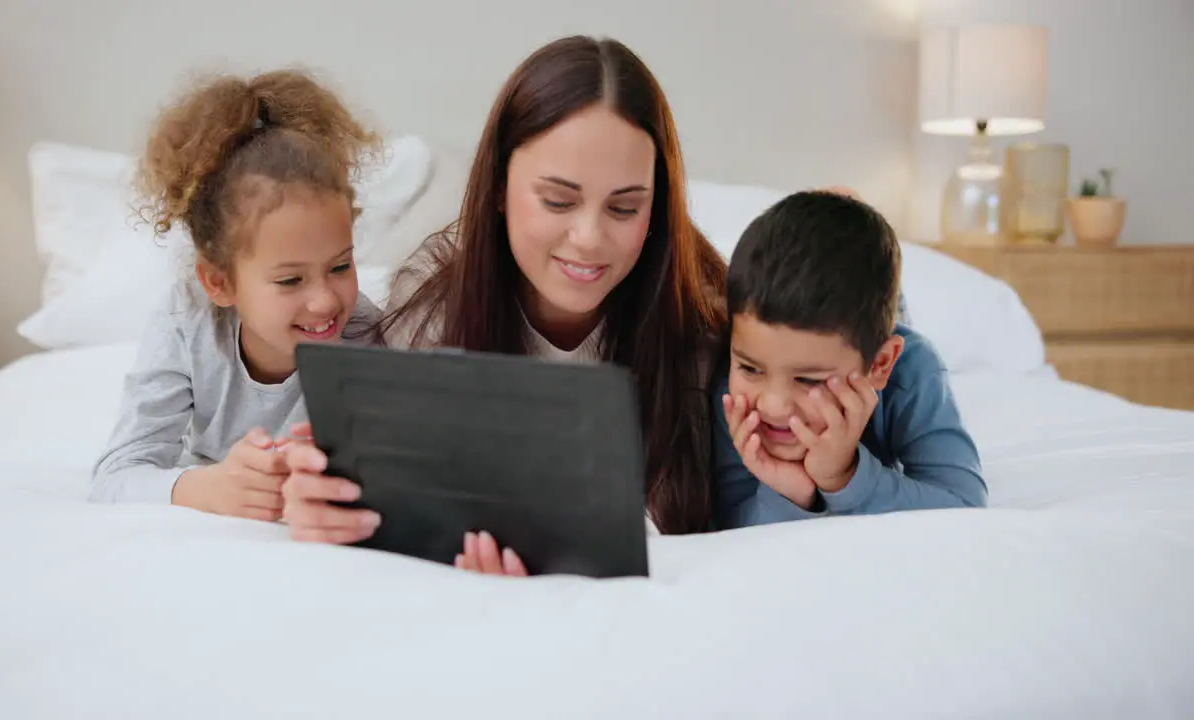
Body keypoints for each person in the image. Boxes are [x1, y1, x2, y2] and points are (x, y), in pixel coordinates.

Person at [279, 35, 729, 574]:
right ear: (498, 187)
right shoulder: (432, 304)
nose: (588, 237)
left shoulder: (705, 322)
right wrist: (325, 506)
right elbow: (393, 505)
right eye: (558, 200)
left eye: (625, 207)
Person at [88, 69, 384, 524]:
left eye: (341, 266)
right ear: (219, 283)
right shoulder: (186, 323)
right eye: (290, 281)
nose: (326, 301)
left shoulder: (365, 334)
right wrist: (212, 488)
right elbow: (116, 476)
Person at [712, 190, 988, 529]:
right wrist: (787, 493)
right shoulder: (732, 392)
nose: (773, 406)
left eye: (809, 379)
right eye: (751, 368)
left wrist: (846, 477)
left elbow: (965, 505)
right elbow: (718, 524)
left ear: (881, 365)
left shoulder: (913, 371)